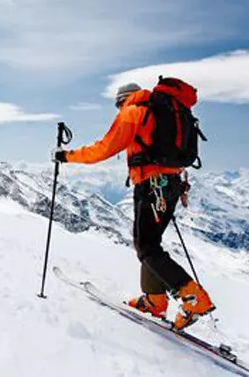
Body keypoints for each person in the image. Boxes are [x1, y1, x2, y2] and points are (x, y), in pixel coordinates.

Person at [52, 82, 214, 330]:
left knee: (146, 247)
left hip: (151, 186)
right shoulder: (166, 112)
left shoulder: (134, 111)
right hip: (170, 185)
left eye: (118, 104)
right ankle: (155, 300)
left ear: (123, 100)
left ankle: (193, 298)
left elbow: (104, 148)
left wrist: (66, 156)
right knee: (150, 245)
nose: (118, 109)